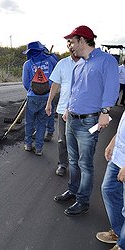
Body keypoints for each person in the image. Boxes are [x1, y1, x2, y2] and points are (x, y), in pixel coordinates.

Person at [53, 25, 119, 216]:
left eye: (72, 42)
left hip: (89, 122)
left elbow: (112, 87)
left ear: (82, 40)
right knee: (73, 160)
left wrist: (105, 111)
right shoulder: (79, 64)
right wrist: (66, 108)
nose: (70, 46)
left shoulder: (106, 61)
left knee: (85, 163)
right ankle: (73, 190)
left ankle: (83, 201)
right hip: (71, 119)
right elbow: (74, 90)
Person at [45, 40, 80, 176]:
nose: (72, 48)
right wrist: (49, 103)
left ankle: (77, 166)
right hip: (62, 109)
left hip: (82, 112)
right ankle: (63, 164)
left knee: (79, 141)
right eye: (70, 45)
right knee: (62, 139)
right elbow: (55, 84)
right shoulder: (62, 64)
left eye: (75, 44)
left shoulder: (89, 64)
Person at [95, 110, 125, 250]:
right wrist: (114, 142)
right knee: (108, 189)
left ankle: (122, 245)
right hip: (118, 156)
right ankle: (119, 233)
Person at [22, 41, 57, 156]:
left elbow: (25, 82)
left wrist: (32, 91)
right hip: (47, 98)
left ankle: (28, 144)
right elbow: (56, 77)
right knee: (42, 123)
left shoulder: (27, 64)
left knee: (29, 122)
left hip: (32, 97)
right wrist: (48, 90)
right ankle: (39, 148)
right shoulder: (51, 61)